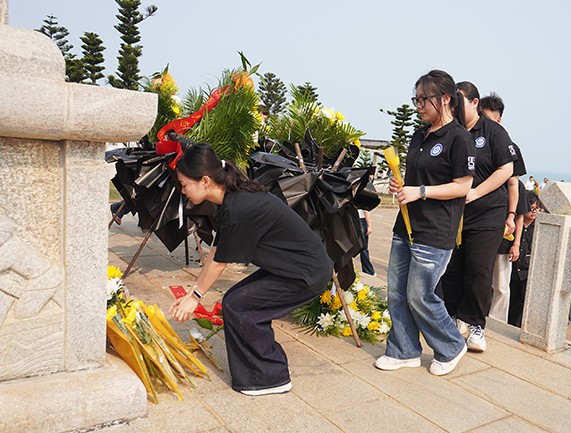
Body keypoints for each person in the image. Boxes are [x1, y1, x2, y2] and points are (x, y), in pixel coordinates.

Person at [168, 143, 333, 396]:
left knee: (240, 306)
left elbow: (220, 262)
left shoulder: (238, 206)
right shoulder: (231, 200)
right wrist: (193, 293)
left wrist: (196, 297)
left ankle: (272, 377)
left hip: (305, 273)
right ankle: (267, 371)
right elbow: (216, 251)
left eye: (184, 184)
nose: (183, 191)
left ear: (204, 181)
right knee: (236, 302)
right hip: (292, 268)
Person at [374, 69, 474, 376]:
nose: (418, 106)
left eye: (423, 100)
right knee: (396, 291)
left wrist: (421, 191)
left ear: (444, 98)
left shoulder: (459, 138)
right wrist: (402, 186)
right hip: (405, 226)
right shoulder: (420, 134)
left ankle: (452, 345)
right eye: (415, 100)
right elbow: (417, 179)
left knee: (420, 295)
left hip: (435, 230)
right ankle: (403, 350)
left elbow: (463, 186)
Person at [439, 81, 514, 353]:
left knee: (478, 268)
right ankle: (455, 319)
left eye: (459, 101)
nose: (454, 107)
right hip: (456, 213)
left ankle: (475, 324)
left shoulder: (493, 132)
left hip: (487, 213)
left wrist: (476, 192)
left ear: (474, 103)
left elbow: (506, 171)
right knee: (452, 268)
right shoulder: (452, 132)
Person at [480, 92, 529, 323]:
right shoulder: (472, 141)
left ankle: (497, 322)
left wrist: (515, 236)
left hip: (502, 229)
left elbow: (514, 189)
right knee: (478, 276)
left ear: (498, 120)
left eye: (488, 119)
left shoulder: (510, 147)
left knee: (500, 283)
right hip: (478, 220)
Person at [508, 193, 541, 327]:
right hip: (512, 267)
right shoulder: (515, 224)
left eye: (537, 208)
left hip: (527, 271)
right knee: (510, 299)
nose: (534, 211)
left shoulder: (539, 227)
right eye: (531, 208)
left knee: (523, 302)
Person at [357, 208, 376, 276]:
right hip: (361, 220)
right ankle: (368, 270)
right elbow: (366, 211)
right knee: (364, 248)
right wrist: (369, 226)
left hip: (351, 219)